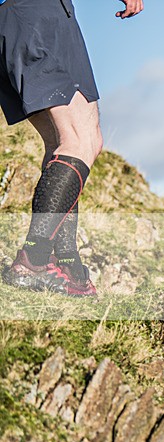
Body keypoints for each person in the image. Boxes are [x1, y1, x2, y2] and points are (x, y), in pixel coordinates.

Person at [1, 0, 144, 296]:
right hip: (36, 16)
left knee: (63, 142)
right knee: (80, 141)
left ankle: (64, 262)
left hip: (15, 20)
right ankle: (33, 260)